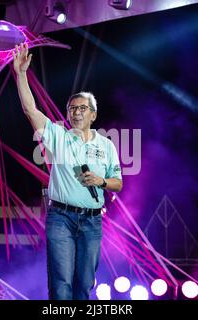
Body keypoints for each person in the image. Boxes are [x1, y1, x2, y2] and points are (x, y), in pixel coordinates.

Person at [12, 43, 123, 300]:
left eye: (82, 108)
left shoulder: (106, 144)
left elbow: (118, 183)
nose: (76, 112)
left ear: (93, 115)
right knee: (61, 286)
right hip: (61, 218)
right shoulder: (58, 136)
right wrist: (20, 75)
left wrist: (100, 180)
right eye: (72, 109)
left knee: (84, 285)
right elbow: (31, 109)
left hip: (93, 221)